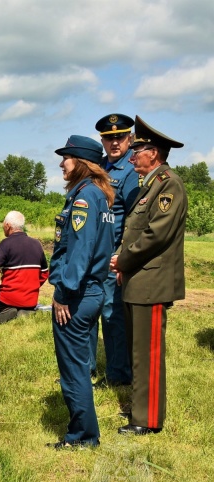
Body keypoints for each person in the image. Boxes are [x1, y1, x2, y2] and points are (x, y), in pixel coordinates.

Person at [110, 116, 187, 436]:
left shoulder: (168, 184)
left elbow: (156, 234)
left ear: (153, 153)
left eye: (137, 149)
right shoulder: (151, 185)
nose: (131, 156)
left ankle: (147, 419)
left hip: (151, 283)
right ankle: (140, 407)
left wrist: (122, 261)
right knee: (137, 351)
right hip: (139, 281)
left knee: (148, 353)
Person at [48, 135, 115, 449]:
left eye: (66, 158)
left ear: (82, 163)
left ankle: (83, 437)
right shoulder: (97, 195)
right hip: (91, 292)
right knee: (78, 366)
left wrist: (63, 292)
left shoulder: (85, 198)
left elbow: (81, 250)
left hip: (77, 295)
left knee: (73, 369)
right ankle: (84, 432)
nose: (61, 163)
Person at [91, 114, 140, 387]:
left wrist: (121, 256)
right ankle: (89, 369)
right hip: (94, 255)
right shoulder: (98, 167)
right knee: (91, 312)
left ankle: (118, 375)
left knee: (112, 316)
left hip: (112, 258)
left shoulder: (131, 172)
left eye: (119, 137)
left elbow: (134, 219)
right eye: (109, 138)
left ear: (129, 139)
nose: (114, 142)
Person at [0, 211, 48, 324]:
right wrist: (31, 286)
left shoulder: (6, 244)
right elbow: (44, 273)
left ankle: (7, 311)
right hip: (31, 301)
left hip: (8, 299)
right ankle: (24, 311)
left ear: (8, 225)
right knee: (22, 306)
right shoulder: (37, 244)